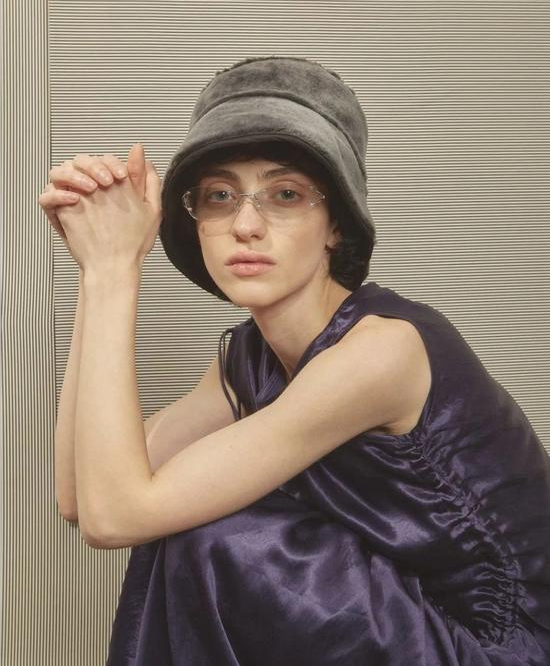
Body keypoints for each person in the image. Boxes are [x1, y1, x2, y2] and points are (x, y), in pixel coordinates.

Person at [39, 56, 550, 665]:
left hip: (493, 648)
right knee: (183, 509)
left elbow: (116, 516)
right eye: (220, 195)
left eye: (285, 194)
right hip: (405, 615)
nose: (245, 225)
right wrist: (94, 271)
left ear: (336, 225)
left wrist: (116, 270)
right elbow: (82, 496)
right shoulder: (248, 359)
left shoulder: (382, 350)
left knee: (217, 533)